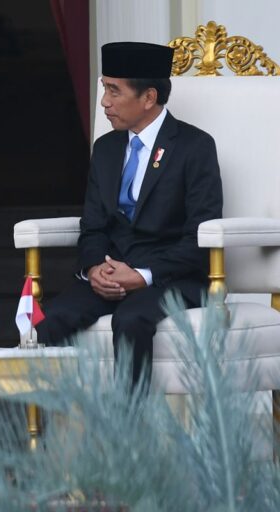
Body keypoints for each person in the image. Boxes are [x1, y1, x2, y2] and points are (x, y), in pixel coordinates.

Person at [35, 42, 223, 385]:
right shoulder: (106, 148)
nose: (104, 101)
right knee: (50, 321)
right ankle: (15, 437)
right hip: (110, 272)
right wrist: (95, 268)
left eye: (113, 90)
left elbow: (199, 236)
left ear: (148, 97)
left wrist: (143, 275)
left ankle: (130, 436)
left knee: (131, 320)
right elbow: (92, 226)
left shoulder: (195, 147)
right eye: (104, 88)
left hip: (172, 277)